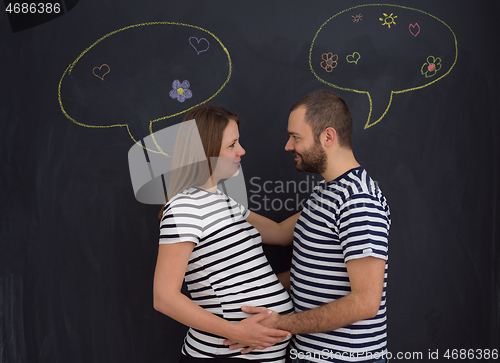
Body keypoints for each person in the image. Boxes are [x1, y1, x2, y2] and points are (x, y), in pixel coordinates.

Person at [225, 90, 391, 363]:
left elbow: (365, 303)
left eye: (296, 137)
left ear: (328, 136)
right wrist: (212, 203)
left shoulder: (359, 200)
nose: (288, 146)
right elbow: (279, 234)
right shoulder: (327, 193)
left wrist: (281, 324)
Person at [153, 105, 301, 363]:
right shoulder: (184, 207)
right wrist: (237, 331)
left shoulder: (224, 201)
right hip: (222, 355)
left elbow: (280, 233)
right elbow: (164, 298)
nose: (241, 151)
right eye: (232, 145)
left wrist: (329, 197)